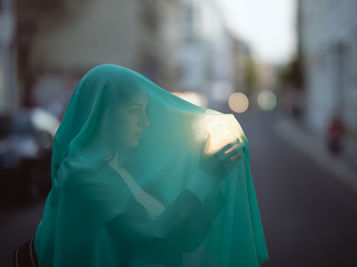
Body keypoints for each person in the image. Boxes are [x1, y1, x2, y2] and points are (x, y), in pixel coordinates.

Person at [18, 64, 268, 266]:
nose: (145, 122)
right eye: (136, 111)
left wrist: (216, 177)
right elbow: (154, 236)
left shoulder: (125, 166)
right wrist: (206, 174)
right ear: (105, 114)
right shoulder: (83, 176)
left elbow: (182, 238)